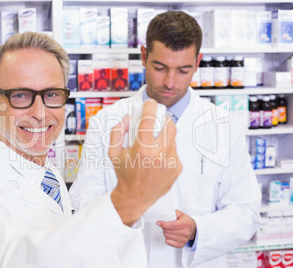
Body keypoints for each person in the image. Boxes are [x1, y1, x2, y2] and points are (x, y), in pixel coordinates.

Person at [0, 32, 182, 267]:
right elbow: (15, 260)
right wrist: (127, 202)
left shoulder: (45, 171)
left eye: (52, 94)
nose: (40, 113)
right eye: (20, 95)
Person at [69, 11, 262, 268]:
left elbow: (245, 211)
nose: (170, 82)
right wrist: (124, 212)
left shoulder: (223, 126)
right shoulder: (107, 121)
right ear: (144, 56)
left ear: (198, 62)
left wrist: (197, 229)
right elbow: (83, 198)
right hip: (125, 259)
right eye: (160, 68)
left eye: (183, 70)